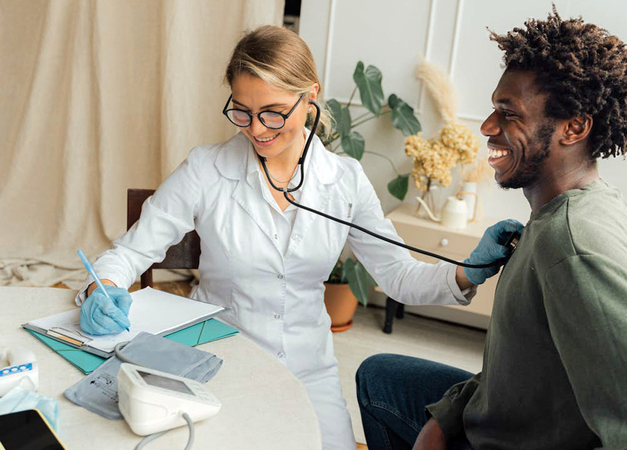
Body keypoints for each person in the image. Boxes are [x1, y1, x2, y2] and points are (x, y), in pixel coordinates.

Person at [73, 26, 522, 450]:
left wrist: (468, 272)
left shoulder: (344, 181)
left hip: (310, 369)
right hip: (216, 361)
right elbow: (131, 251)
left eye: (272, 112)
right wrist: (103, 287)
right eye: (242, 111)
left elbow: (398, 276)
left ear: (310, 97)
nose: (256, 129)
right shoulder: (206, 169)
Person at [355, 9, 627, 450]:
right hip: (512, 413)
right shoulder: (579, 205)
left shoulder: (573, 245)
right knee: (379, 377)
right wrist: (447, 416)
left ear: (574, 127)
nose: (487, 127)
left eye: (508, 114)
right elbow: (525, 361)